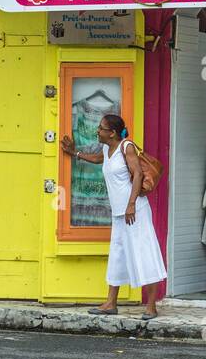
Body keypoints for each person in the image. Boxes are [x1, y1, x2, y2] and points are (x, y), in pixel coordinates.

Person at [61, 113, 166, 316]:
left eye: (101, 128)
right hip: (119, 213)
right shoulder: (108, 148)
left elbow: (138, 175)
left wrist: (131, 204)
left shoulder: (127, 147)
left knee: (144, 253)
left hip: (135, 211)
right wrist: (75, 153)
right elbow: (97, 159)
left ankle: (151, 306)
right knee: (117, 255)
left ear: (112, 133)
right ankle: (111, 303)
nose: (97, 131)